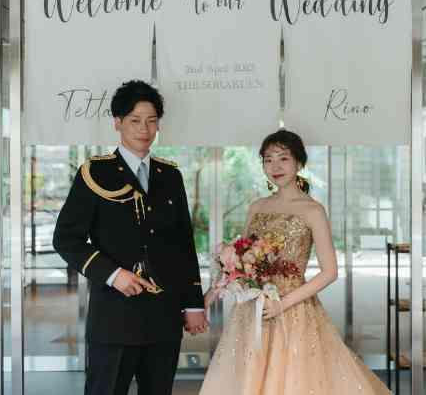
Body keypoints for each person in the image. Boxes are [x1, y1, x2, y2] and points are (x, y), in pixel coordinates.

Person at [201, 129, 391, 395]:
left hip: (293, 309)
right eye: (268, 160)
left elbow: (330, 272)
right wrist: (208, 297)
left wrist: (283, 304)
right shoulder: (257, 207)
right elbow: (240, 262)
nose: (275, 166)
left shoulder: (313, 210)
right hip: (252, 309)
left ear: (299, 162)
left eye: (283, 158)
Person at [53, 80, 207, 395]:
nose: (144, 129)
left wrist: (193, 304)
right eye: (135, 120)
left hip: (164, 317)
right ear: (117, 122)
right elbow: (66, 239)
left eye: (151, 120)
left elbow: (183, 244)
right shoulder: (95, 173)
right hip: (115, 318)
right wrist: (113, 275)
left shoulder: (171, 175)